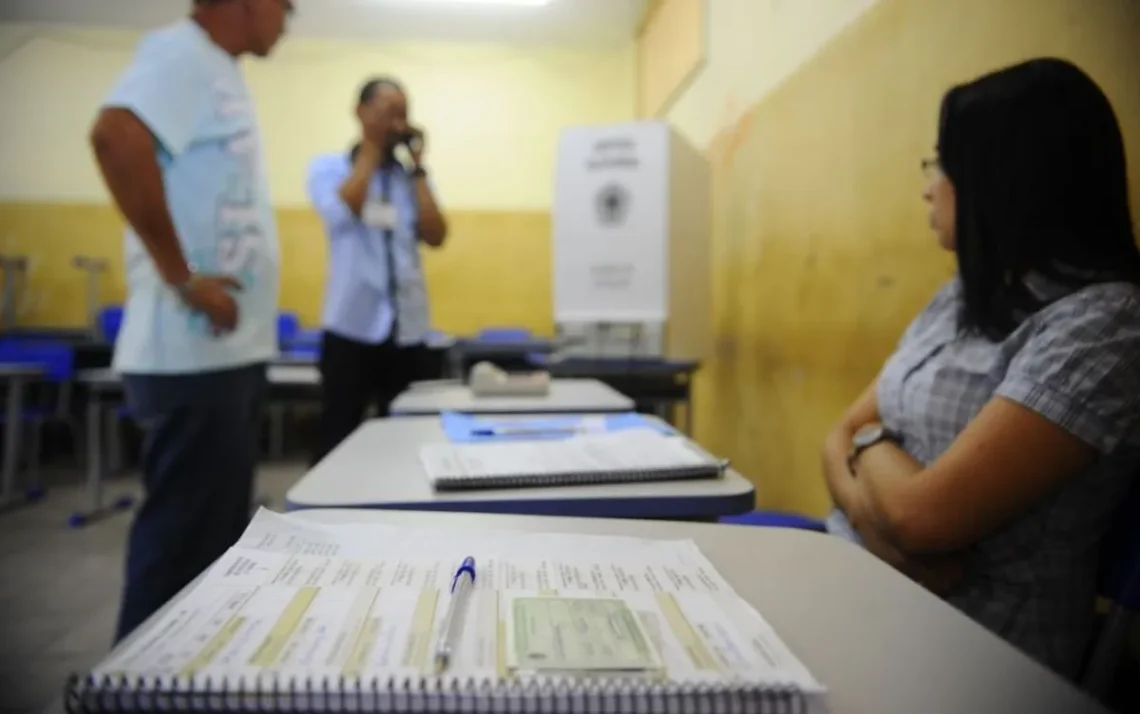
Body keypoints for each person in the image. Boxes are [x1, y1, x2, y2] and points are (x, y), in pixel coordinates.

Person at [821, 57, 1140, 679]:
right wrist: (888, 534)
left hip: (973, 652)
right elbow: (838, 435)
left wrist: (871, 448)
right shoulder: (964, 295)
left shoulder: (1106, 325)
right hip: (871, 580)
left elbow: (922, 516)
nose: (927, 185)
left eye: (941, 163)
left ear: (1005, 174)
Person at [89, 0, 292, 641]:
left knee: (210, 550)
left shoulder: (219, 69)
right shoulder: (183, 53)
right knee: (180, 545)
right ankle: (139, 688)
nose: (288, 18)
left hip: (222, 354)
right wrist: (181, 277)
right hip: (190, 354)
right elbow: (115, 135)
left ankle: (188, 677)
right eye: (285, 4)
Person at [308, 77, 448, 464]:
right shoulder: (328, 168)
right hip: (351, 326)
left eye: (403, 114)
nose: (397, 124)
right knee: (338, 433)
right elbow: (342, 209)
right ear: (360, 112)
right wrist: (370, 146)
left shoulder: (409, 180)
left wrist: (419, 168)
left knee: (407, 437)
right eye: (387, 112)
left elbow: (436, 235)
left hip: (408, 329)